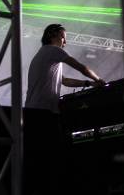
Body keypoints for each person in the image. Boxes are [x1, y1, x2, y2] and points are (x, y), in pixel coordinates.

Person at [23, 24, 106, 195]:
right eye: (63, 37)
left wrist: (88, 84)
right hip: (42, 113)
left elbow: (64, 80)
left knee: (40, 159)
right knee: (51, 158)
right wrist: (99, 80)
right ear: (52, 35)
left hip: (35, 112)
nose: (65, 41)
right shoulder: (52, 51)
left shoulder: (45, 55)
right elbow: (81, 67)